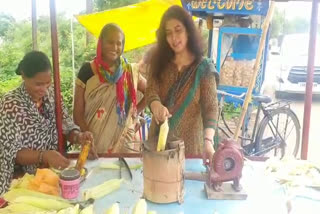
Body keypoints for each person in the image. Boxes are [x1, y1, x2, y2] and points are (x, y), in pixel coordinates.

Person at [0, 51, 94, 195]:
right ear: (24, 76)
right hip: (23, 182)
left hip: (53, 175)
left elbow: (66, 125)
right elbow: (13, 153)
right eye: (38, 84)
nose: (44, 89)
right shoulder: (10, 105)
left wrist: (78, 136)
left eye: (47, 83)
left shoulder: (52, 93)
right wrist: (44, 155)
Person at [146, 5, 219, 164]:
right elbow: (151, 91)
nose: (174, 38)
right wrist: (156, 105)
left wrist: (208, 141)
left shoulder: (203, 67)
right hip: (158, 147)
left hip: (190, 150)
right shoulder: (159, 63)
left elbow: (211, 107)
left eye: (178, 30)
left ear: (188, 31)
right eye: (168, 33)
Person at [73, 23, 146, 153]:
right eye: (110, 42)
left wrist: (134, 113)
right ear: (101, 43)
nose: (115, 47)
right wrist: (87, 137)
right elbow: (77, 114)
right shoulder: (87, 70)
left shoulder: (129, 71)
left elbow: (151, 91)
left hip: (125, 144)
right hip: (94, 145)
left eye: (119, 43)